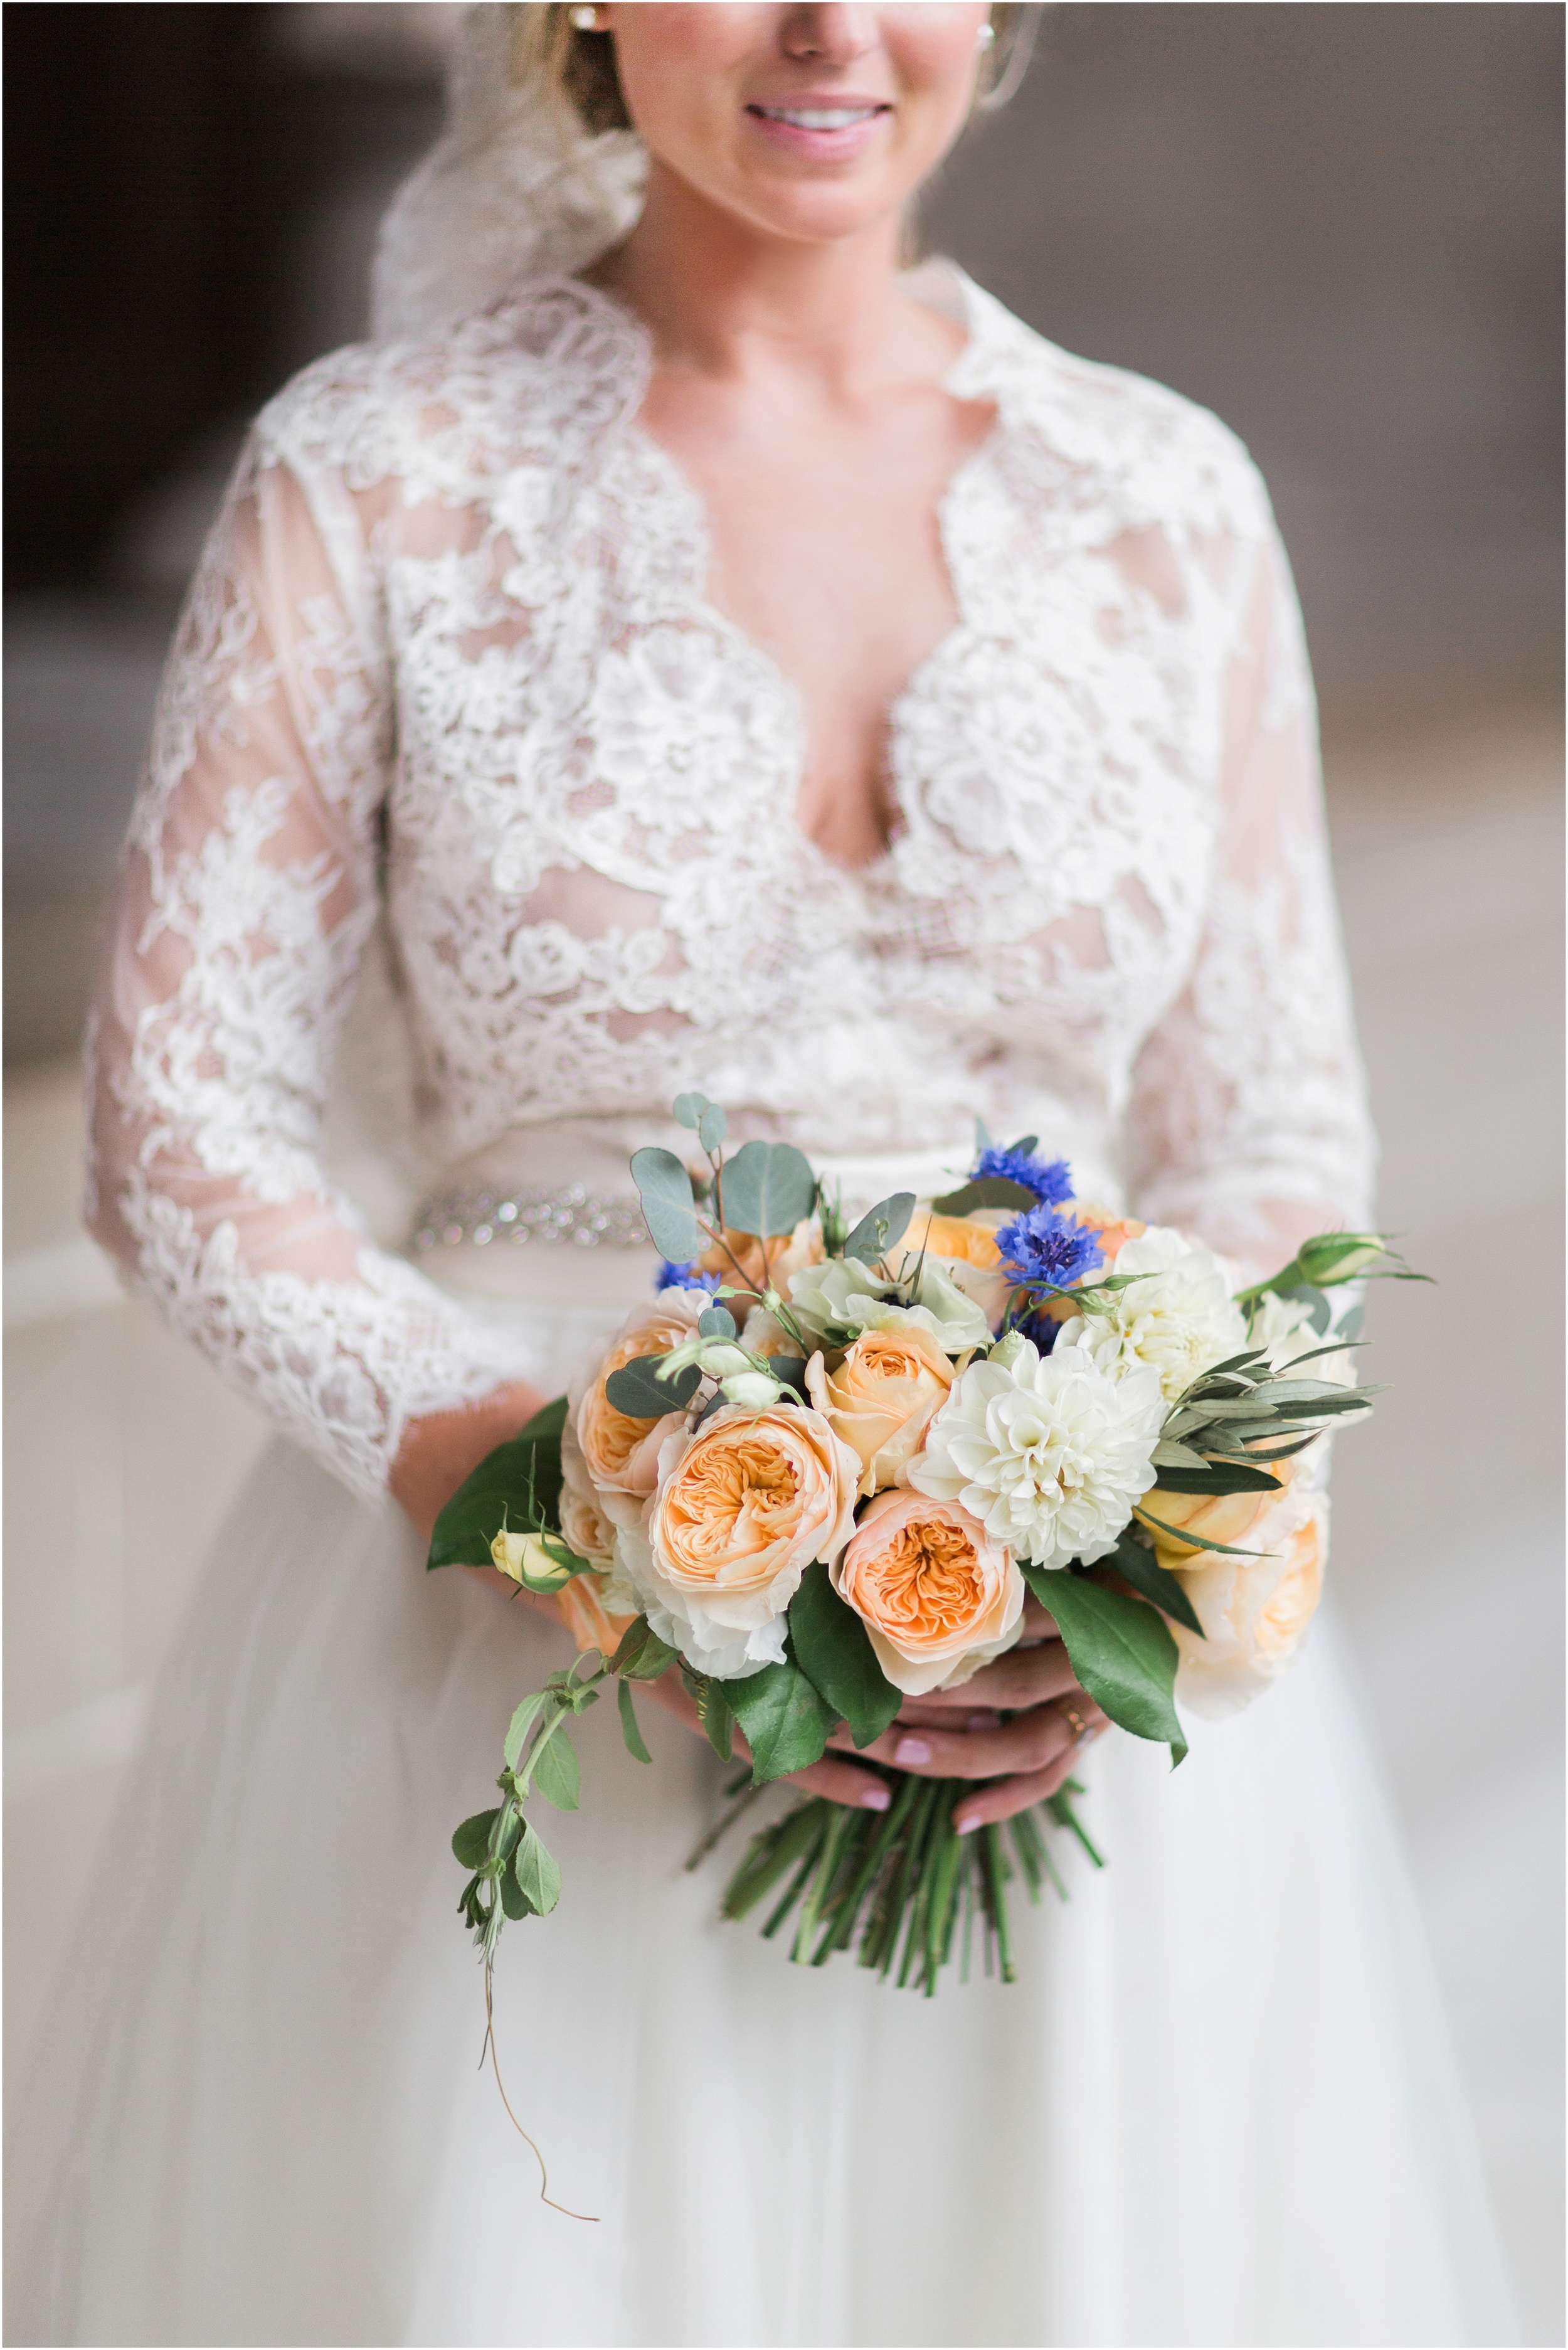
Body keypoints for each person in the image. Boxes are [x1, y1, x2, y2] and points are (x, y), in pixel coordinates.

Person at [7, 7, 1514, 2344]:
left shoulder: (1164, 499)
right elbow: (179, 1136)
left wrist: (1119, 1534)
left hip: (1054, 1701)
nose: (828, 28)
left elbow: (1273, 1133)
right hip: (499, 1661)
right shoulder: (380, 471)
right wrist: (580, 1512)